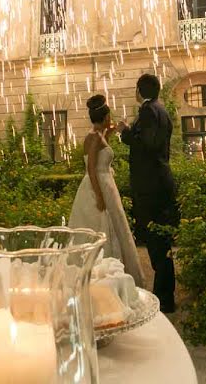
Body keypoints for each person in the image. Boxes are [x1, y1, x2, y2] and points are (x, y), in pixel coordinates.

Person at [68, 94, 145, 287]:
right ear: (104, 117)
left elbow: (105, 142)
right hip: (99, 184)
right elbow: (91, 169)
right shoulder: (94, 138)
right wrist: (100, 196)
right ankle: (105, 275)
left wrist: (114, 129)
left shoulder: (99, 135)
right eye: (108, 117)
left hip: (105, 182)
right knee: (103, 226)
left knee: (114, 226)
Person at [116, 73, 178, 313]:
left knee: (156, 242)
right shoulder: (161, 110)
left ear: (140, 91)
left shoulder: (148, 111)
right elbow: (152, 141)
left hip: (151, 186)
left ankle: (164, 298)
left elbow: (147, 144)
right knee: (161, 242)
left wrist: (125, 132)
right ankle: (165, 295)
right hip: (160, 183)